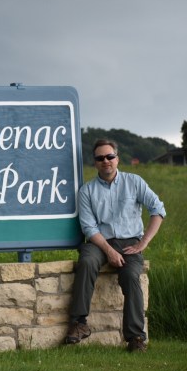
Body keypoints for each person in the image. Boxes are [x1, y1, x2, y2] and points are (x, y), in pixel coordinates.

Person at [65, 139, 165, 352]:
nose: (106, 161)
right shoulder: (87, 191)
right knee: (87, 261)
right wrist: (109, 251)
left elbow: (158, 210)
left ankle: (135, 338)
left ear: (117, 158)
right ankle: (79, 323)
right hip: (99, 242)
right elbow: (89, 227)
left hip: (130, 243)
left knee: (131, 276)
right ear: (95, 162)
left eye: (110, 156)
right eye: (100, 158)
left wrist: (143, 242)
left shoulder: (134, 182)